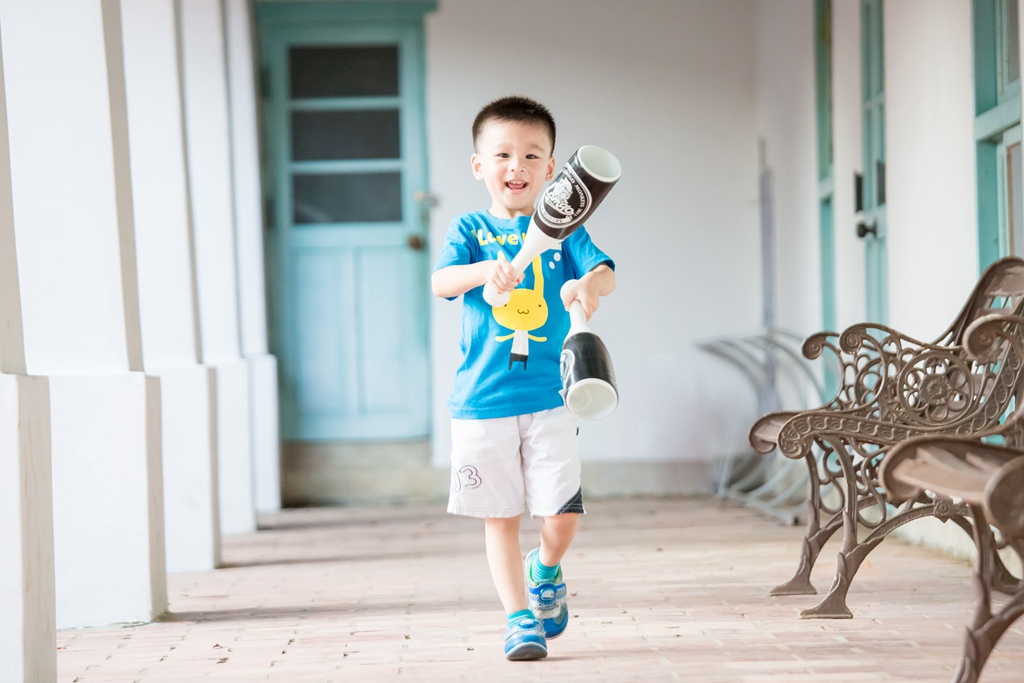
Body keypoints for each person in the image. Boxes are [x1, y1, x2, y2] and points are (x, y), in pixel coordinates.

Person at [431, 95, 616, 661]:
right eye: (504, 153)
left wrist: (589, 288)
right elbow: (442, 282)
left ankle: (547, 567)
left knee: (560, 517)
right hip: (483, 400)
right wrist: (485, 269)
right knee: (500, 515)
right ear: (478, 165)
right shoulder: (469, 228)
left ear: (552, 170)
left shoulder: (565, 230)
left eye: (532, 155)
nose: (518, 166)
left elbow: (602, 272)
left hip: (552, 396)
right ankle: (519, 620)